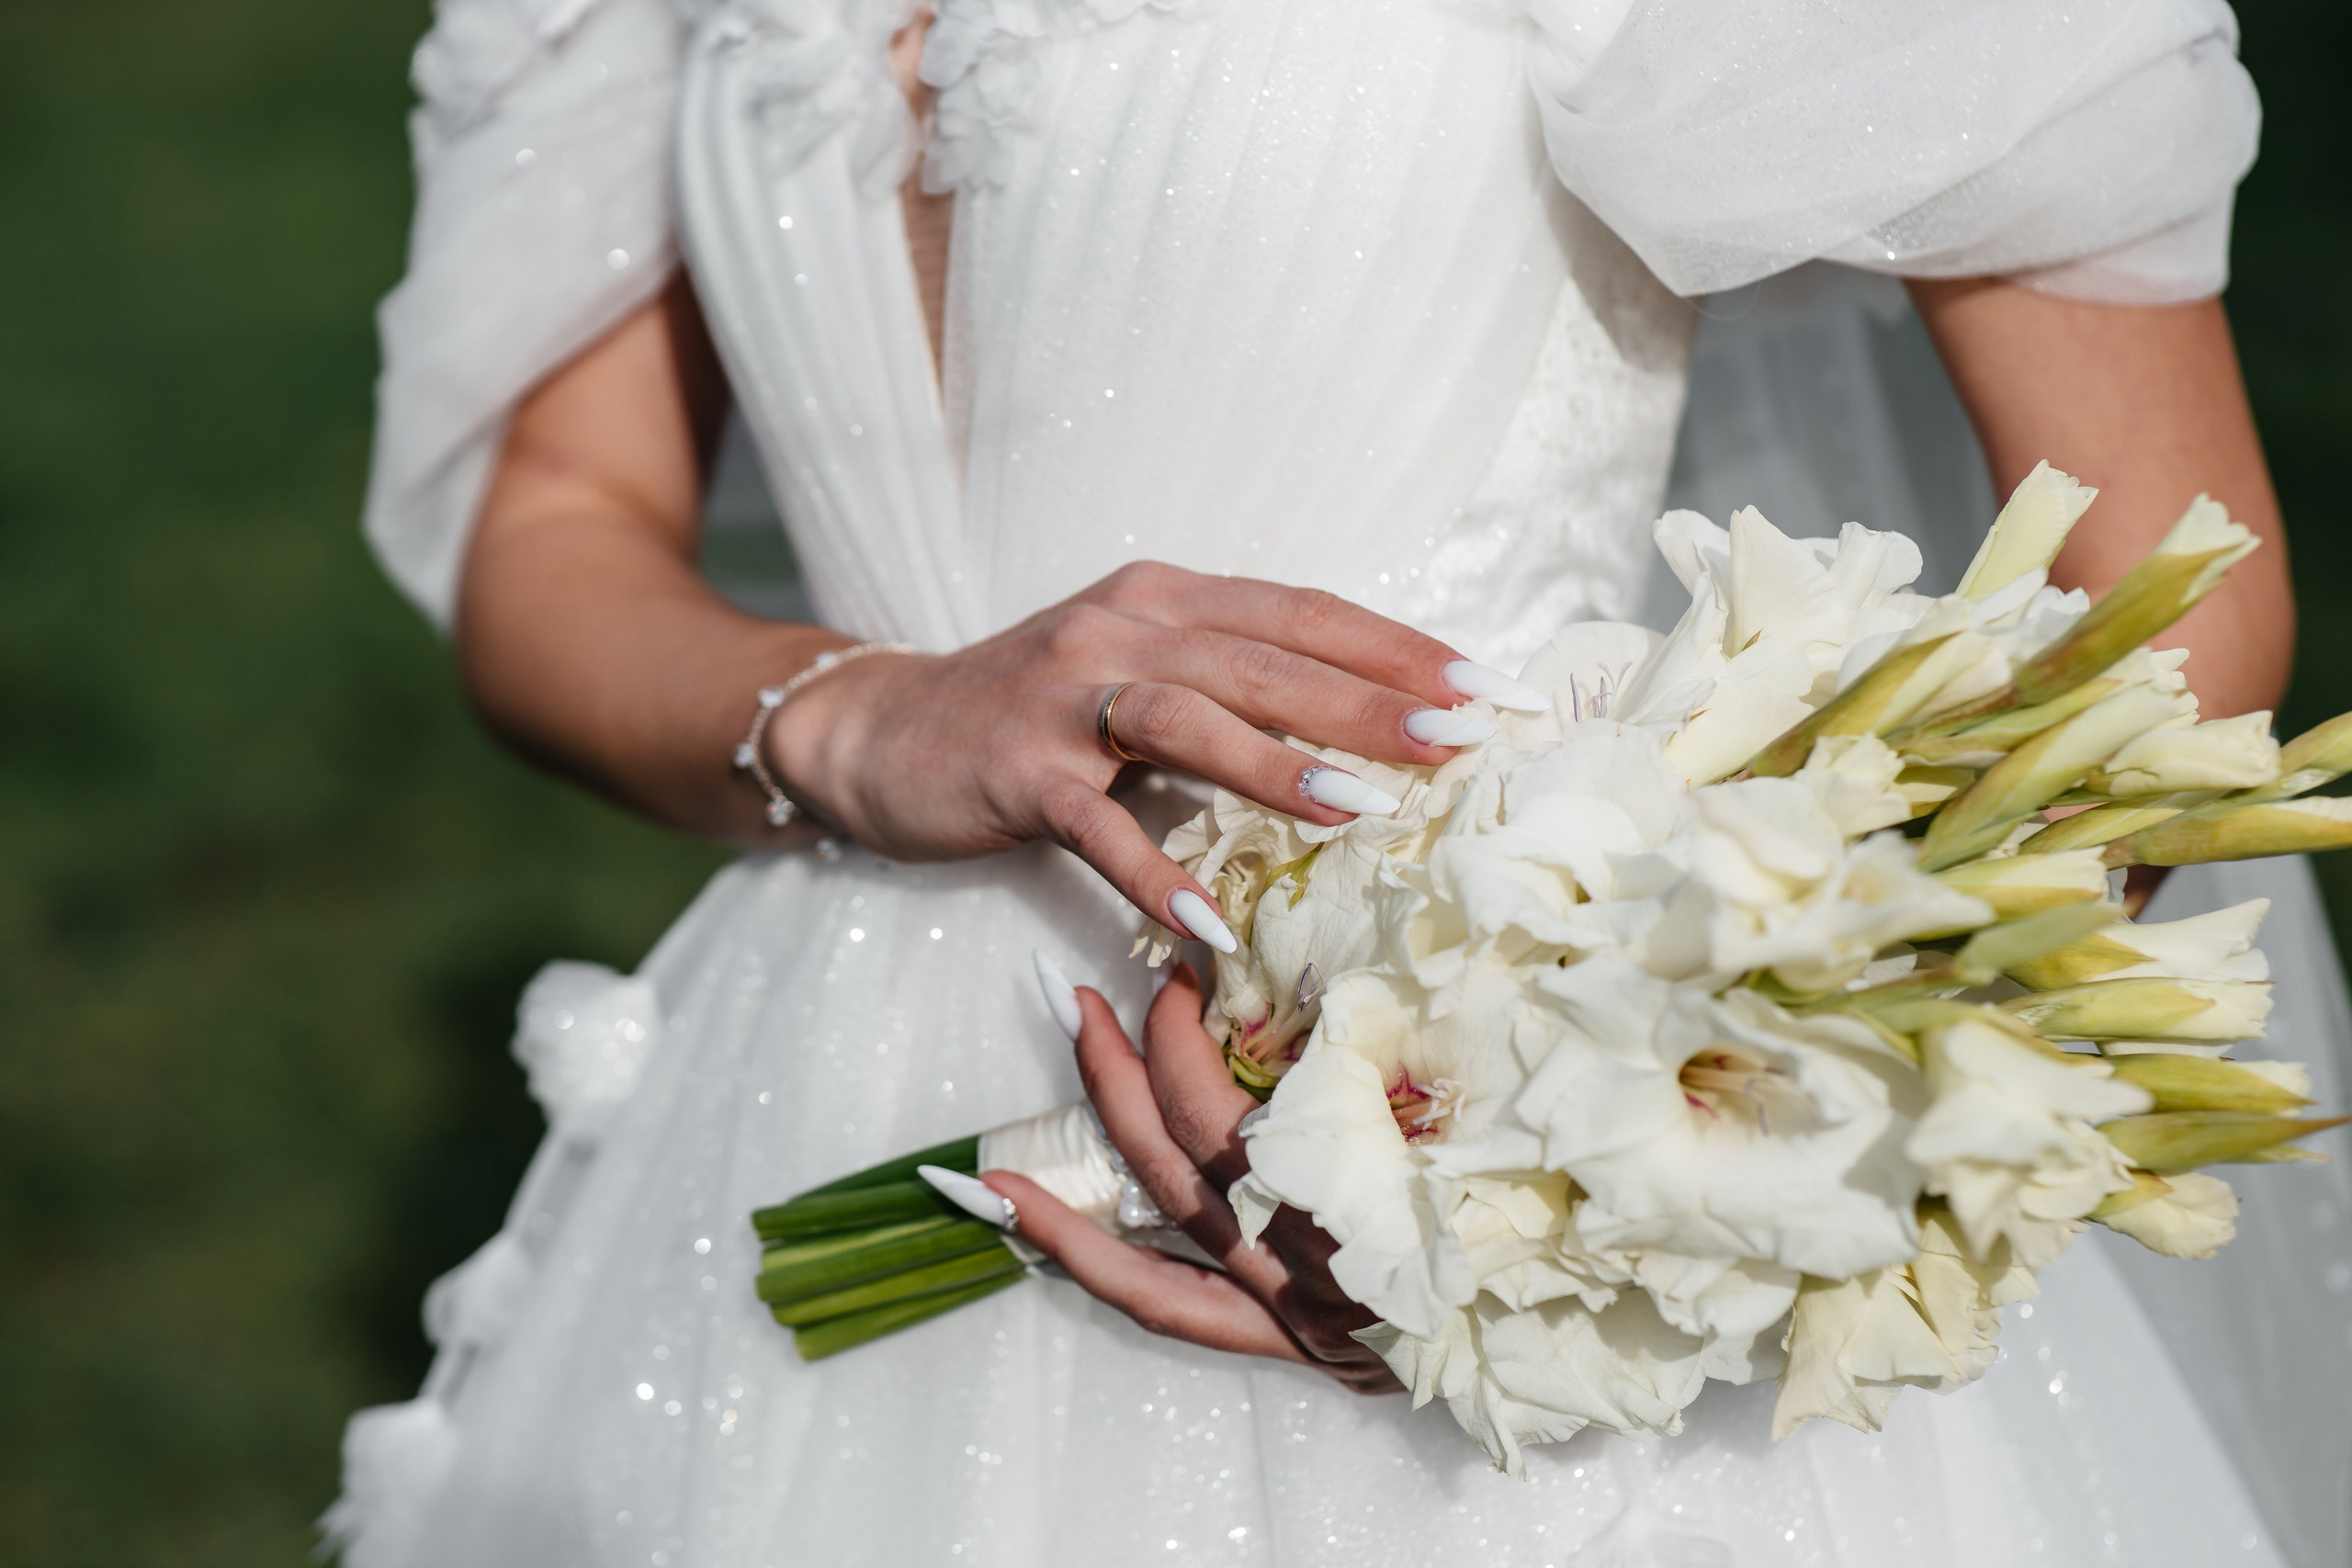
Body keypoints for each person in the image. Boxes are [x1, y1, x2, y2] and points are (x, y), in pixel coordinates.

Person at [328, 0, 2352, 1562]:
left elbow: (2170, 597)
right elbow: (560, 526)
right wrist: (851, 719)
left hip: (1464, 1116)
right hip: (807, 1096)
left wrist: (1561, 1167)